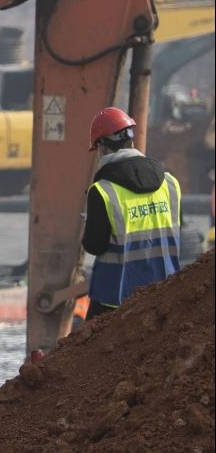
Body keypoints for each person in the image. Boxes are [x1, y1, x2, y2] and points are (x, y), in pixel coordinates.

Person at [81, 107, 182, 319]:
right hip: (166, 295)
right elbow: (173, 231)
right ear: (131, 142)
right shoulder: (170, 184)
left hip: (115, 300)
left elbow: (93, 245)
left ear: (102, 147)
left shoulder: (102, 191)